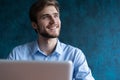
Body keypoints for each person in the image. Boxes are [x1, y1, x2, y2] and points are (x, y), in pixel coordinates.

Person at [7, 0, 95, 80]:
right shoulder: (17, 55)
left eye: (56, 16)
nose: (53, 21)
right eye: (45, 17)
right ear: (34, 25)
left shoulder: (75, 55)